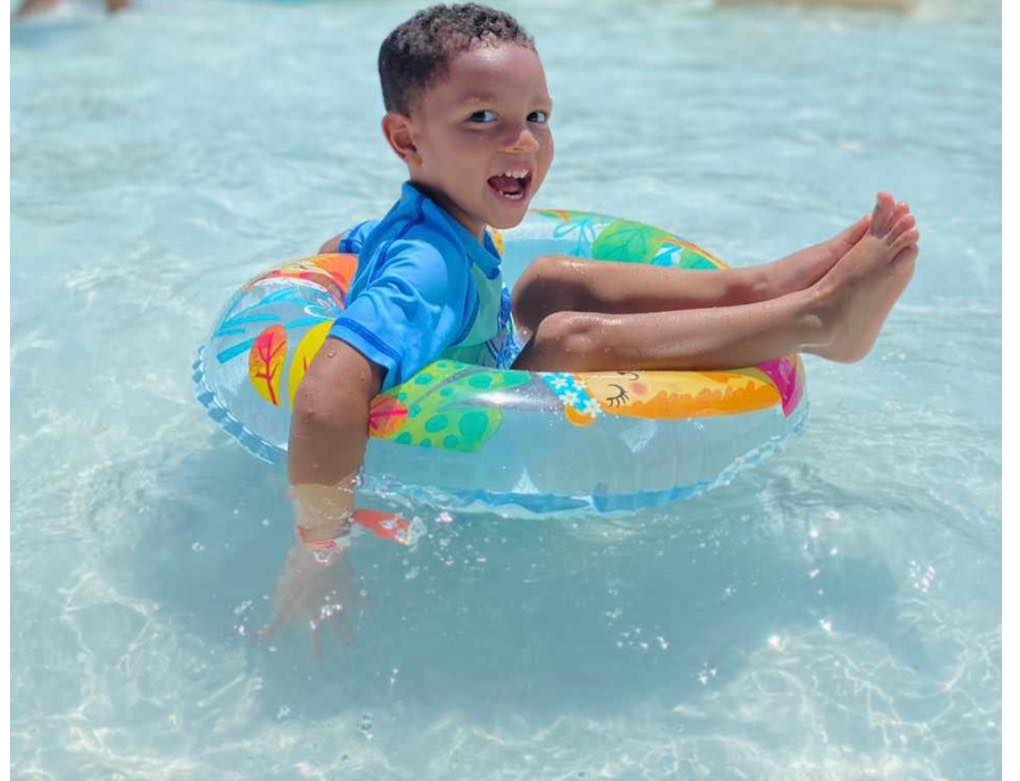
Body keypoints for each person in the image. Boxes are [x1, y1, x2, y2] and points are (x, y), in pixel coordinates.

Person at [258, 3, 919, 649]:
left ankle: (758, 287)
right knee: (567, 337)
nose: (522, 141)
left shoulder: (430, 227)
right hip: (480, 463)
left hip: (484, 373)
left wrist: (342, 264)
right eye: (482, 117)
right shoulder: (427, 267)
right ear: (407, 140)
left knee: (546, 281)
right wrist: (321, 550)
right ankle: (814, 321)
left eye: (536, 116)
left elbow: (345, 249)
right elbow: (324, 397)